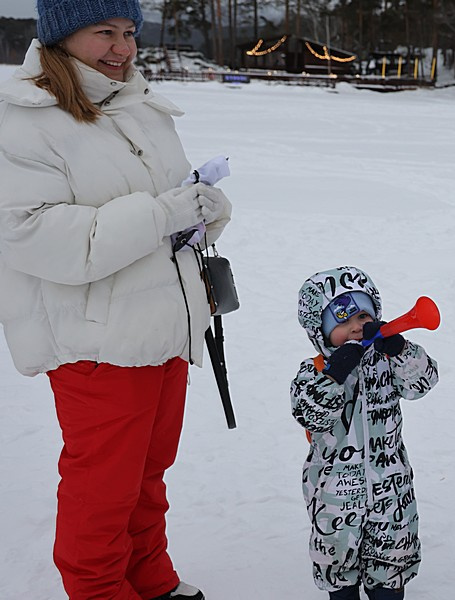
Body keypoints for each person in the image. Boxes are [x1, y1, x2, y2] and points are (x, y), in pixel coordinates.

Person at [0, 0, 233, 598]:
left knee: (148, 476)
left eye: (128, 31)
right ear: (59, 35)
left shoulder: (139, 105)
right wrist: (161, 214)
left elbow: (170, 206)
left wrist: (204, 212)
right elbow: (32, 236)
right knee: (103, 485)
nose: (122, 47)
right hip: (94, 341)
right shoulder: (22, 118)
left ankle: (148, 575)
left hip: (165, 326)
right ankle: (99, 588)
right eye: (104, 32)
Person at [291, 266, 439, 600]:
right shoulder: (313, 370)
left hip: (391, 488)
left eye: (362, 315)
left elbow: (422, 383)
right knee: (338, 561)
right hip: (335, 495)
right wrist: (332, 375)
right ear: (320, 330)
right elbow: (308, 413)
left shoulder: (388, 360)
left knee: (392, 560)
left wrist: (402, 350)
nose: (356, 327)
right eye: (341, 322)